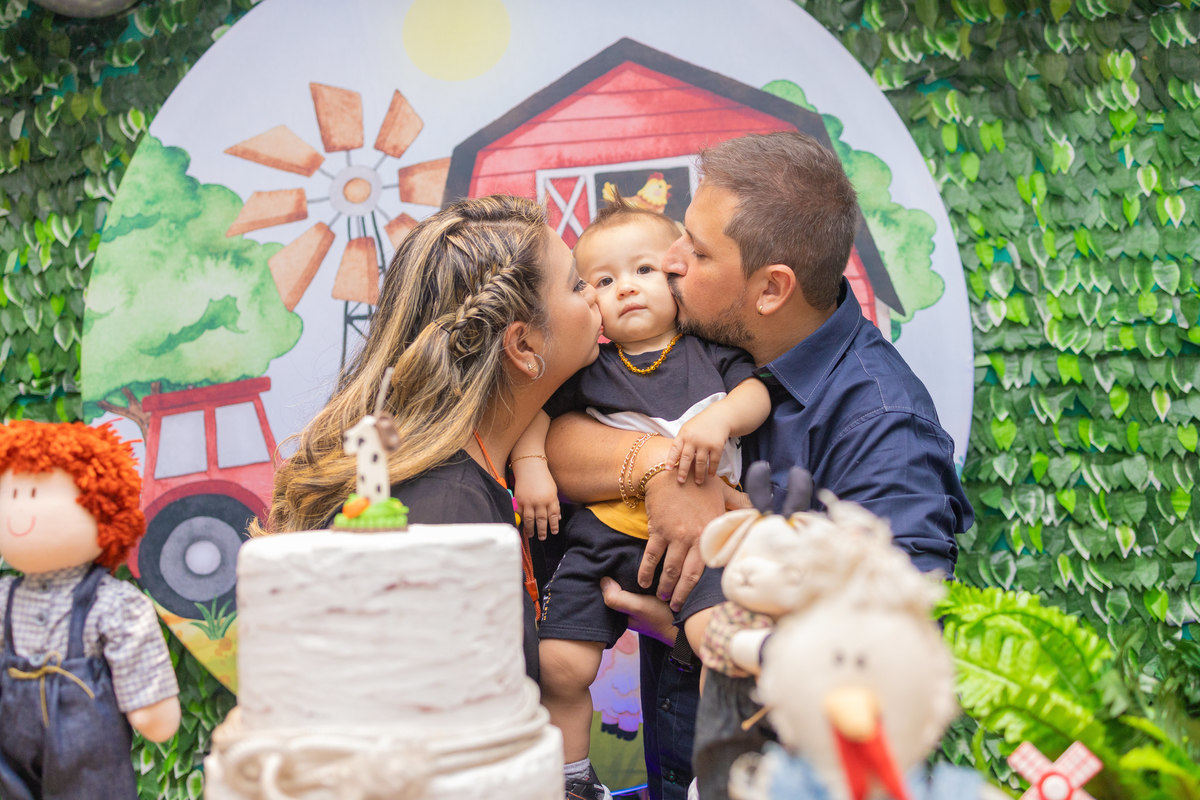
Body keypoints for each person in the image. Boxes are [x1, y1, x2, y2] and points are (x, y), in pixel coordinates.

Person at [545, 131, 972, 800]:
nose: (672, 261)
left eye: (698, 250)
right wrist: (662, 466)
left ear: (771, 289)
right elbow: (562, 441)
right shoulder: (689, 342)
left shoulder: (882, 427)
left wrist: (706, 631)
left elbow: (892, 665)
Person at [257, 195, 602, 685]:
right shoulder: (445, 514)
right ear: (523, 345)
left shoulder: (470, 475)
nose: (594, 294)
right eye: (575, 284)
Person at [510, 198, 770, 800]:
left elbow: (758, 395)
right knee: (561, 666)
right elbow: (536, 419)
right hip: (604, 538)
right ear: (589, 301)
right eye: (603, 280)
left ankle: (722, 773)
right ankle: (572, 777)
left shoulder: (714, 355)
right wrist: (532, 468)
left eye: (644, 270)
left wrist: (723, 419)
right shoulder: (588, 369)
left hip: (705, 544)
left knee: (719, 644)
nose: (625, 288)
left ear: (679, 279)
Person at [0, 420, 181, 799]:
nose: (18, 511)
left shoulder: (112, 604)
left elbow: (139, 667)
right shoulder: (5, 597)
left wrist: (149, 706)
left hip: (86, 756)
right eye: (11, 493)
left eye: (33, 493)